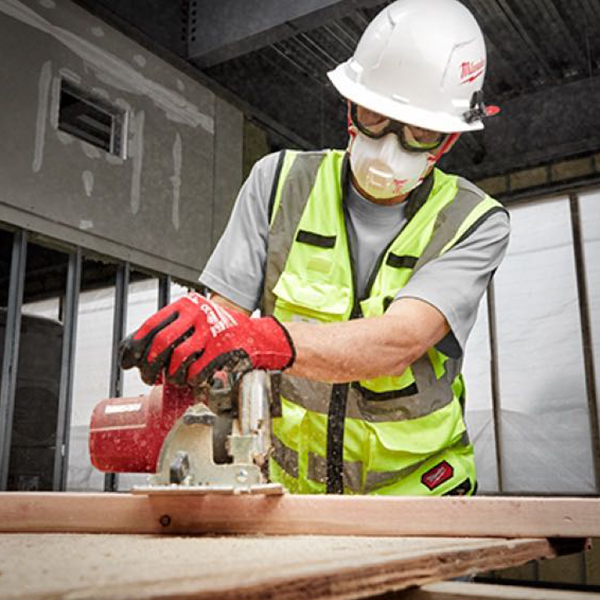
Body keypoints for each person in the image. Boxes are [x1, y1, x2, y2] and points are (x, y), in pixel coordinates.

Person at [120, 0, 510, 497]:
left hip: (416, 492)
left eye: (420, 131)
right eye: (375, 115)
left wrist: (267, 341)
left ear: (450, 138)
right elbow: (225, 323)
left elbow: (401, 341)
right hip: (288, 494)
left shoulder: (473, 221)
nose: (390, 145)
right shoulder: (279, 183)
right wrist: (195, 361)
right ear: (350, 106)